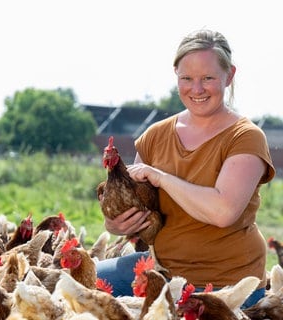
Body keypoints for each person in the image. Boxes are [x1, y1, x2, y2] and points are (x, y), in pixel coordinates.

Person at [96, 29, 276, 308]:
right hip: (161, 271)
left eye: (208, 78)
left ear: (229, 76)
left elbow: (223, 211)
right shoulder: (155, 136)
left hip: (227, 282)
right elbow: (139, 206)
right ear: (176, 76)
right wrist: (116, 223)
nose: (197, 89)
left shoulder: (245, 137)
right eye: (187, 79)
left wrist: (160, 177)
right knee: (77, 292)